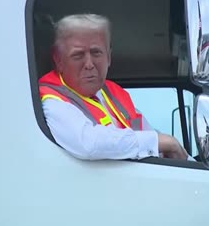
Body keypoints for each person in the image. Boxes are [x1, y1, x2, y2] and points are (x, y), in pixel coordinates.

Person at [39, 14, 189, 161]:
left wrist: (185, 159)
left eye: (96, 52)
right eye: (78, 55)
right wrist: (159, 142)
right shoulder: (51, 99)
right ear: (58, 60)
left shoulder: (114, 94)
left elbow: (147, 134)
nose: (89, 64)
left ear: (109, 57)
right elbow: (88, 144)